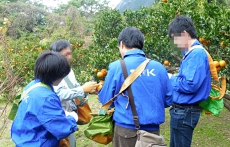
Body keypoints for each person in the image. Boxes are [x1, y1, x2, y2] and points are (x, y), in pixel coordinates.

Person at [98, 27, 172, 147]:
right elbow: (168, 99)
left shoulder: (117, 67)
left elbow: (105, 100)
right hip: (152, 133)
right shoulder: (158, 67)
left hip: (126, 132)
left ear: (122, 44)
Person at [11, 51, 78, 147]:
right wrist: (72, 117)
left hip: (25, 139)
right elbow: (62, 129)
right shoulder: (46, 97)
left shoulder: (32, 86)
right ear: (56, 75)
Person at [168, 15, 211, 147]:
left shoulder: (196, 54)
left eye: (175, 38)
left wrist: (171, 78)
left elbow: (189, 84)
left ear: (185, 34)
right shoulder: (191, 54)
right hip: (181, 112)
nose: (175, 43)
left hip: (184, 112)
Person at [50, 39, 98, 147]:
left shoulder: (69, 71)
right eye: (66, 54)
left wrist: (88, 90)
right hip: (57, 117)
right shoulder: (51, 71)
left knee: (71, 143)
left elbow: (76, 89)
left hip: (70, 117)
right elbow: (58, 94)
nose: (69, 57)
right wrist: (82, 89)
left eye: (70, 53)